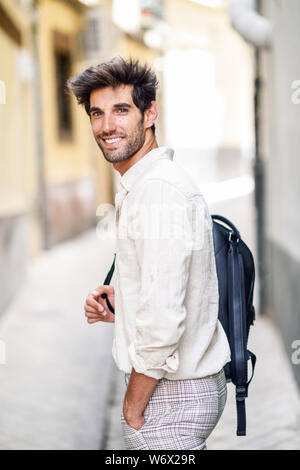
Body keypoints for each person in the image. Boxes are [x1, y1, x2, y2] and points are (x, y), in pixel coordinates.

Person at [68, 57, 231, 450]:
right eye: (97, 113)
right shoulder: (145, 185)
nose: (107, 126)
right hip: (180, 386)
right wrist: (122, 305)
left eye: (121, 110)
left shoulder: (158, 192)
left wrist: (132, 407)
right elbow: (166, 291)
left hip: (171, 394)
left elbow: (162, 319)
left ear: (149, 113)